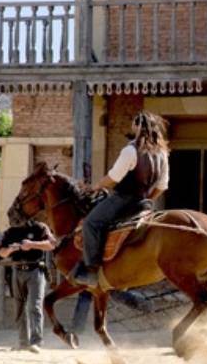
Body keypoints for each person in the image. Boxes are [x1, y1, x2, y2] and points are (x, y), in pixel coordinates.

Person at [72, 111, 170, 286]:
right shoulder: (162, 154)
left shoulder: (131, 150)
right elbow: (162, 186)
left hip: (123, 200)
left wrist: (96, 187)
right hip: (143, 204)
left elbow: (113, 178)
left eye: (134, 124)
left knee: (91, 224)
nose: (132, 126)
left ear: (137, 127)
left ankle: (92, 272)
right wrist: (148, 199)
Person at [0, 220, 56, 353]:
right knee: (19, 307)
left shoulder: (39, 227)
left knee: (34, 306)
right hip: (17, 270)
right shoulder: (10, 231)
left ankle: (36, 342)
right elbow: (1, 252)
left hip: (35, 269)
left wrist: (32, 245)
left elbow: (51, 244)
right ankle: (23, 342)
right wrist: (11, 249)